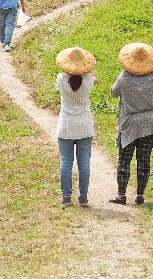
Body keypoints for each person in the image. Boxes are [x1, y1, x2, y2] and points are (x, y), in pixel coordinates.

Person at [109, 42, 153, 206]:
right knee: (144, 160)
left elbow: (113, 92)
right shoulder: (152, 74)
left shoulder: (124, 76)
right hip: (150, 123)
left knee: (124, 159)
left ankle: (121, 195)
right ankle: (140, 195)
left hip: (130, 124)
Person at [55, 46, 97, 207]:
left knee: (66, 163)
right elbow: (93, 78)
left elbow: (64, 79)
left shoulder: (61, 78)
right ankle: (83, 196)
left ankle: (66, 197)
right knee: (84, 164)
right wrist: (88, 71)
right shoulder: (88, 80)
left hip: (66, 126)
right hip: (84, 126)